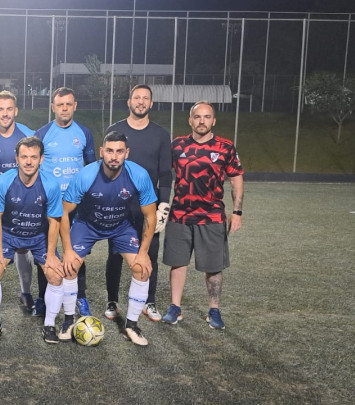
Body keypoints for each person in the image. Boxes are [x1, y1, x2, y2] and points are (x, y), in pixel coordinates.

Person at [59, 131, 158, 346]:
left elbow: (150, 216)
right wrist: (67, 250)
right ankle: (68, 321)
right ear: (101, 151)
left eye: (119, 151)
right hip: (87, 225)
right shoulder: (86, 175)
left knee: (141, 269)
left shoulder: (138, 175)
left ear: (126, 153)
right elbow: (64, 213)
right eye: (110, 151)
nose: (114, 156)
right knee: (69, 267)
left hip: (121, 226)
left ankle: (132, 325)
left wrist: (143, 253)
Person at [160, 101, 244, 330]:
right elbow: (163, 174)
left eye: (207, 117)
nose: (202, 121)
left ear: (213, 121)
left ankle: (214, 310)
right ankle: (175, 308)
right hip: (180, 215)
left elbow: (236, 179)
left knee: (214, 267)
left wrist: (237, 212)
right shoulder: (177, 145)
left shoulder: (225, 147)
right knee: (177, 263)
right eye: (197, 117)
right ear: (190, 120)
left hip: (211, 216)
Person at [101, 84, 173, 322]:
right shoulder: (115, 130)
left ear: (151, 103)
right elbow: (106, 167)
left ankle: (148, 301)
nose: (141, 102)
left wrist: (163, 206)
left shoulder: (161, 134)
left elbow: (165, 174)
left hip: (148, 206)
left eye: (145, 98)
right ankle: (112, 300)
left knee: (150, 252)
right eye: (136, 97)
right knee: (114, 253)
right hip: (119, 204)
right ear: (129, 102)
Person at [0, 137, 64, 342]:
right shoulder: (3, 182)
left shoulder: (50, 184)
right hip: (9, 235)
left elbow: (54, 221)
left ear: (41, 159)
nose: (28, 161)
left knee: (56, 276)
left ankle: (49, 325)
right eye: (24, 157)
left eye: (33, 157)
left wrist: (51, 254)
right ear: (16, 158)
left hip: (39, 236)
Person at [34, 87, 96, 317]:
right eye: (60, 104)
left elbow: (91, 168)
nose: (64, 108)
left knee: (76, 252)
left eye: (69, 104)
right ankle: (43, 298)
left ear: (75, 106)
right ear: (53, 107)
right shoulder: (42, 133)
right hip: (49, 205)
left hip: (76, 206)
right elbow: (34, 168)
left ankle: (80, 297)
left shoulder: (84, 133)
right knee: (46, 252)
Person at [0, 90, 40, 312]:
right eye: (1, 109)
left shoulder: (29, 135)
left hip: (24, 202)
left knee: (23, 248)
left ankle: (25, 292)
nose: (5, 114)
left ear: (15, 111)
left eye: (9, 109)